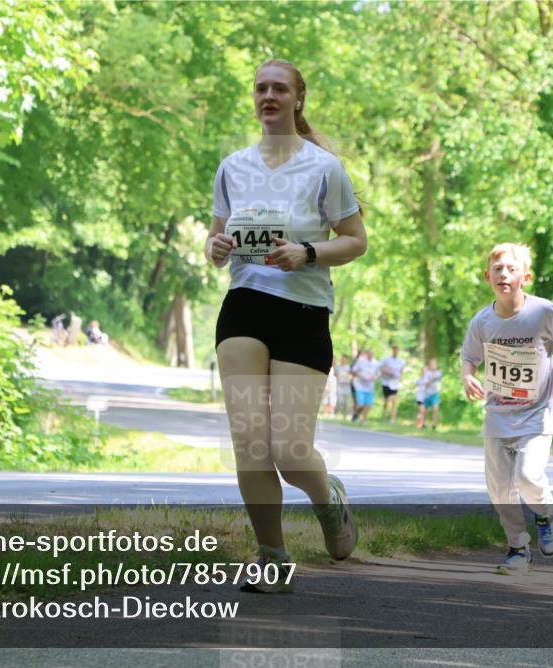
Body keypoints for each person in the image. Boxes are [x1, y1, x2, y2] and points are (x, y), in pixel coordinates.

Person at [205, 59, 367, 593]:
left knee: (290, 452)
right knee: (250, 443)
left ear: (298, 98)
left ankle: (327, 503)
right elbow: (215, 245)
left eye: (279, 88)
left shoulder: (324, 167)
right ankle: (272, 558)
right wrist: (217, 246)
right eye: (260, 88)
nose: (267, 96)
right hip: (246, 305)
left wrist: (308, 252)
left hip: (303, 311)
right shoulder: (232, 167)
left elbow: (355, 240)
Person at [461, 243, 553, 575]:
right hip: (498, 415)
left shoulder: (542, 312)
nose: (504, 273)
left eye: (511, 268)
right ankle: (517, 548)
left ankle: (546, 513)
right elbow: (469, 357)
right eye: (497, 269)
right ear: (488, 277)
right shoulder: (482, 321)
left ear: (525, 277)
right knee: (499, 489)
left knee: (527, 476)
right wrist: (467, 377)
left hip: (537, 414)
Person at [379, 344, 406, 423]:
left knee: (394, 401)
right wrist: (387, 372)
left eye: (397, 350)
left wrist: (400, 379)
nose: (396, 351)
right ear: (392, 350)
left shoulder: (401, 361)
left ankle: (392, 418)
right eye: (394, 349)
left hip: (394, 383)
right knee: (386, 401)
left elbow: (401, 371)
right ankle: (383, 414)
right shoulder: (386, 360)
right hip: (386, 383)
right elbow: (381, 369)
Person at [350, 349, 378, 425]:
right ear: (366, 354)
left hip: (370, 387)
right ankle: (355, 413)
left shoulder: (376, 363)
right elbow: (352, 371)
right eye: (369, 353)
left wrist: (374, 377)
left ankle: (364, 420)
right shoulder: (360, 361)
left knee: (368, 405)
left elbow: (378, 374)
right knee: (360, 404)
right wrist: (360, 375)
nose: (370, 355)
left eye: (372, 354)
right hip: (360, 386)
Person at [418, 358, 443, 430]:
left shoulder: (439, 373)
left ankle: (434, 425)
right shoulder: (427, 373)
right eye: (432, 364)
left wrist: (441, 387)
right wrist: (431, 379)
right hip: (427, 394)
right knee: (424, 411)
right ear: (429, 365)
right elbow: (426, 383)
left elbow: (440, 380)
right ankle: (423, 423)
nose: (433, 366)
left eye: (435, 364)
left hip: (434, 394)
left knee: (436, 408)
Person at [333, 353, 353, 417]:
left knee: (347, 402)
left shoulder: (349, 367)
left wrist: (350, 377)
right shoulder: (338, 367)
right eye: (342, 358)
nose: (342, 360)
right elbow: (335, 374)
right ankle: (335, 412)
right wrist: (337, 376)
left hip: (347, 386)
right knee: (339, 400)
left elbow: (351, 375)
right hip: (339, 386)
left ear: (347, 360)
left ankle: (345, 415)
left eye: (344, 359)